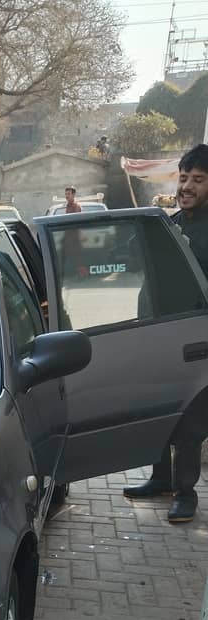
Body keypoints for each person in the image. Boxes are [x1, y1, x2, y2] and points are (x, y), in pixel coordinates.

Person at [124, 143, 208, 523]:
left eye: (199, 180)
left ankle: (185, 493)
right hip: (159, 336)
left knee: (191, 419)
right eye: (185, 177)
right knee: (158, 408)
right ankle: (159, 479)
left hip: (197, 342)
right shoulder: (169, 222)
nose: (188, 186)